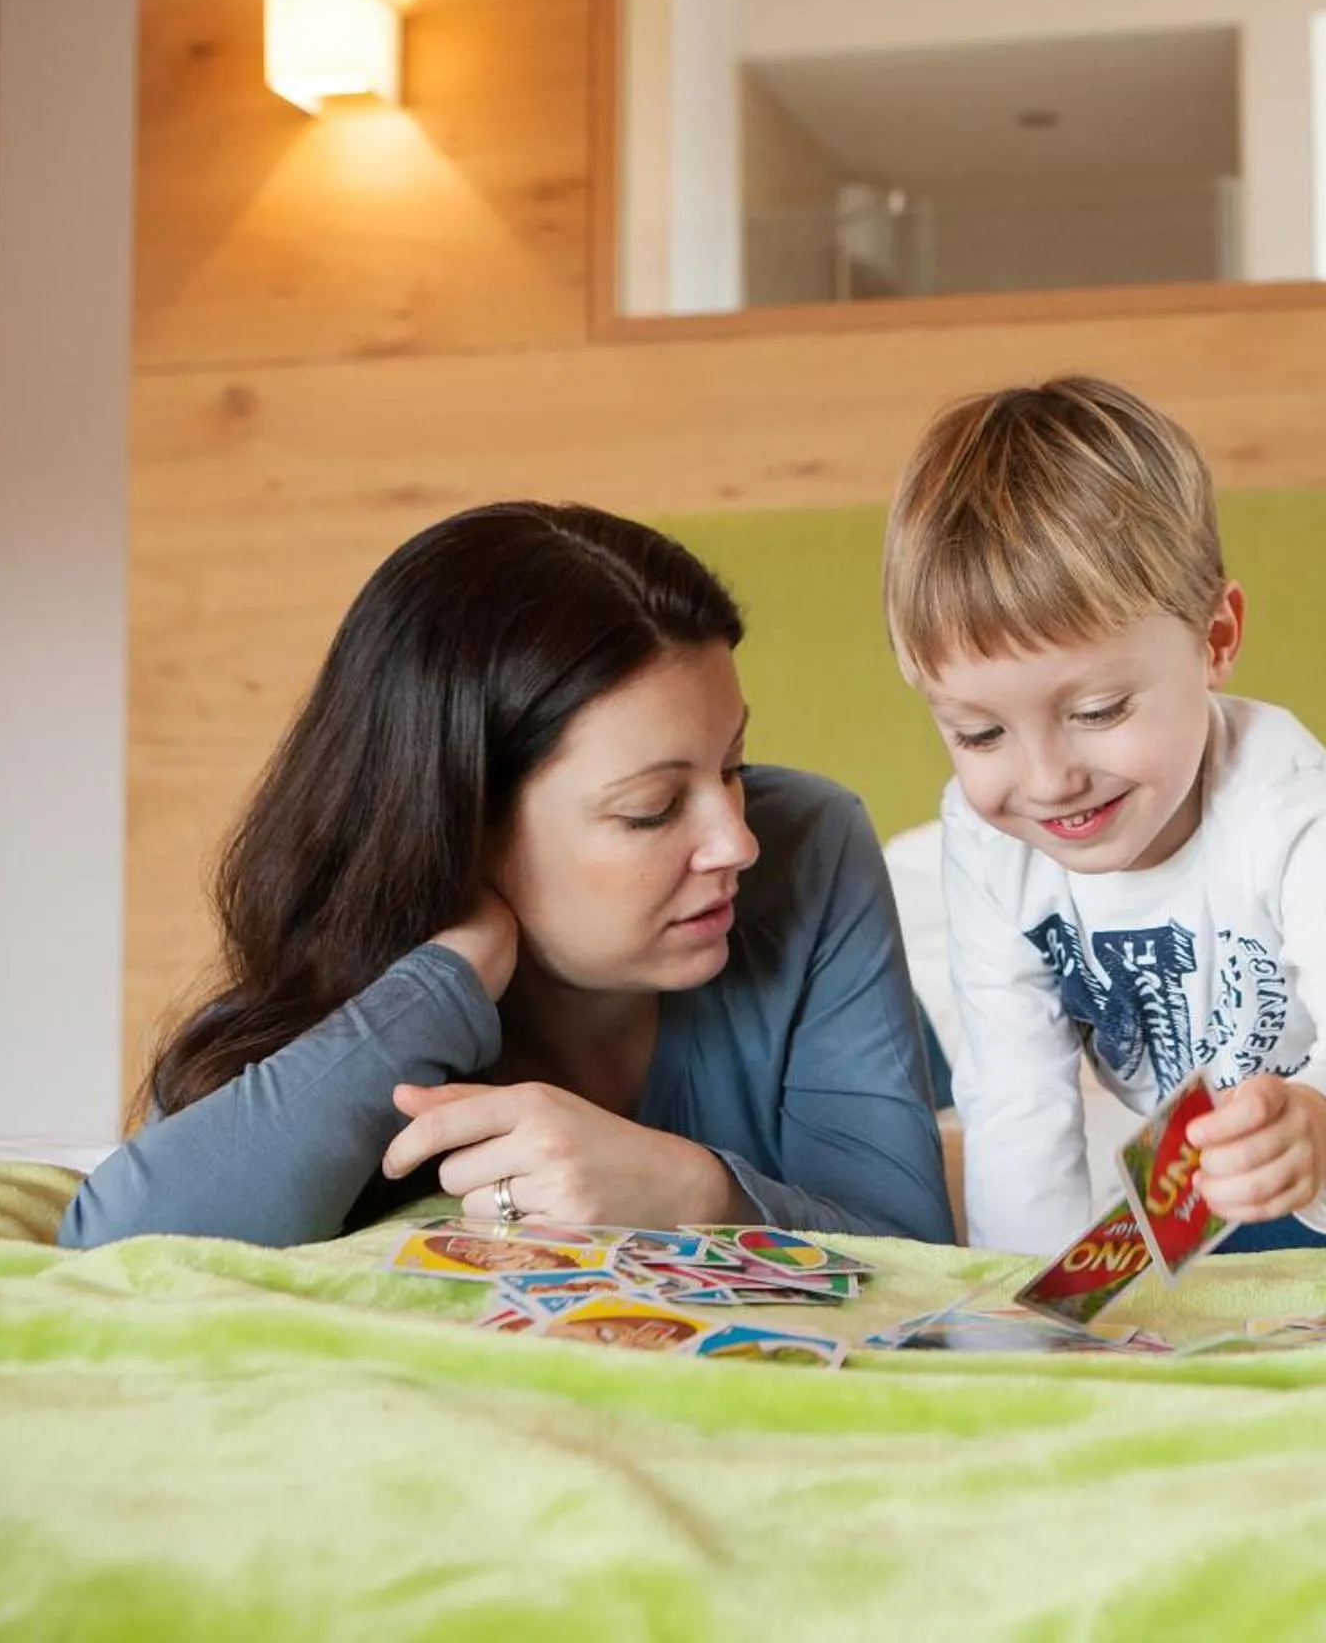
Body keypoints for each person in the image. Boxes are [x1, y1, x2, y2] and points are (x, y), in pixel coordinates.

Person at [59, 502, 953, 1249]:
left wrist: (698, 1191)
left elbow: (912, 1250)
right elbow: (120, 1244)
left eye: (733, 765)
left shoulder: (810, 845)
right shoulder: (378, 987)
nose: (735, 841)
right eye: (650, 809)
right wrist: (446, 978)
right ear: (465, 822)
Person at [882, 376, 1326, 1256]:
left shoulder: (1292, 807)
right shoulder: (987, 839)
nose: (1045, 781)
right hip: (1224, 1099)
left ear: (1215, 640)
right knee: (1205, 1275)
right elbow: (1015, 1099)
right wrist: (1020, 1326)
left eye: (1101, 711)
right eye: (979, 732)